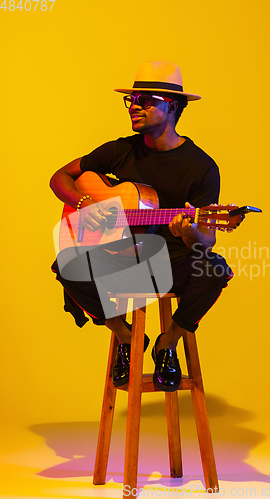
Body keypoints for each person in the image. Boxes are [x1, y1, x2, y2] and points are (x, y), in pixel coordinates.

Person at [50, 61, 233, 392]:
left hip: (170, 262)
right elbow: (60, 177)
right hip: (123, 258)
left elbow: (206, 239)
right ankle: (126, 335)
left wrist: (188, 231)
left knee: (214, 270)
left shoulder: (202, 168)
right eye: (132, 99)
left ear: (172, 106)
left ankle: (168, 343)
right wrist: (84, 204)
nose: (135, 107)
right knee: (66, 265)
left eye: (146, 100)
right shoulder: (120, 151)